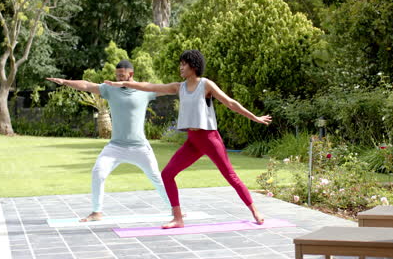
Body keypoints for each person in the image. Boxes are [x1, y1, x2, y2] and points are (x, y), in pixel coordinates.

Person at [105, 50, 272, 228]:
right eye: (180, 64)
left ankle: (255, 211)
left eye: (183, 64)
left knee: (230, 175)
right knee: (167, 174)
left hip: (209, 138)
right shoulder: (180, 87)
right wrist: (124, 83)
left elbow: (230, 102)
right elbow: (151, 86)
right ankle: (178, 218)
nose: (181, 67)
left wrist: (255, 117)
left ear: (193, 66)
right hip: (192, 140)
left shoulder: (206, 85)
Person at [46, 60, 170, 222]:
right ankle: (96, 212)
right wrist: (64, 82)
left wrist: (192, 84)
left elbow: (168, 88)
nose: (118, 78)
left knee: (156, 178)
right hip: (116, 147)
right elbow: (87, 85)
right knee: (98, 172)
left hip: (139, 147)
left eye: (121, 75)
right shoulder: (110, 89)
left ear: (130, 74)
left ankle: (174, 209)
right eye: (116, 75)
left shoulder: (144, 90)